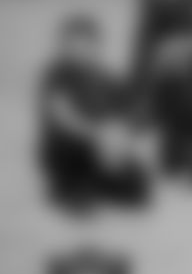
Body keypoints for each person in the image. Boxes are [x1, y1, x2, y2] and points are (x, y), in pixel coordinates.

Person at [38, 15, 152, 215]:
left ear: (96, 47)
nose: (79, 51)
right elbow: (62, 116)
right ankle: (72, 190)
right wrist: (98, 135)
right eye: (72, 45)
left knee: (137, 188)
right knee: (76, 171)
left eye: (84, 45)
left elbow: (130, 110)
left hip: (104, 150)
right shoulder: (58, 75)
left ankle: (102, 187)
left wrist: (126, 135)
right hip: (69, 149)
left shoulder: (105, 77)